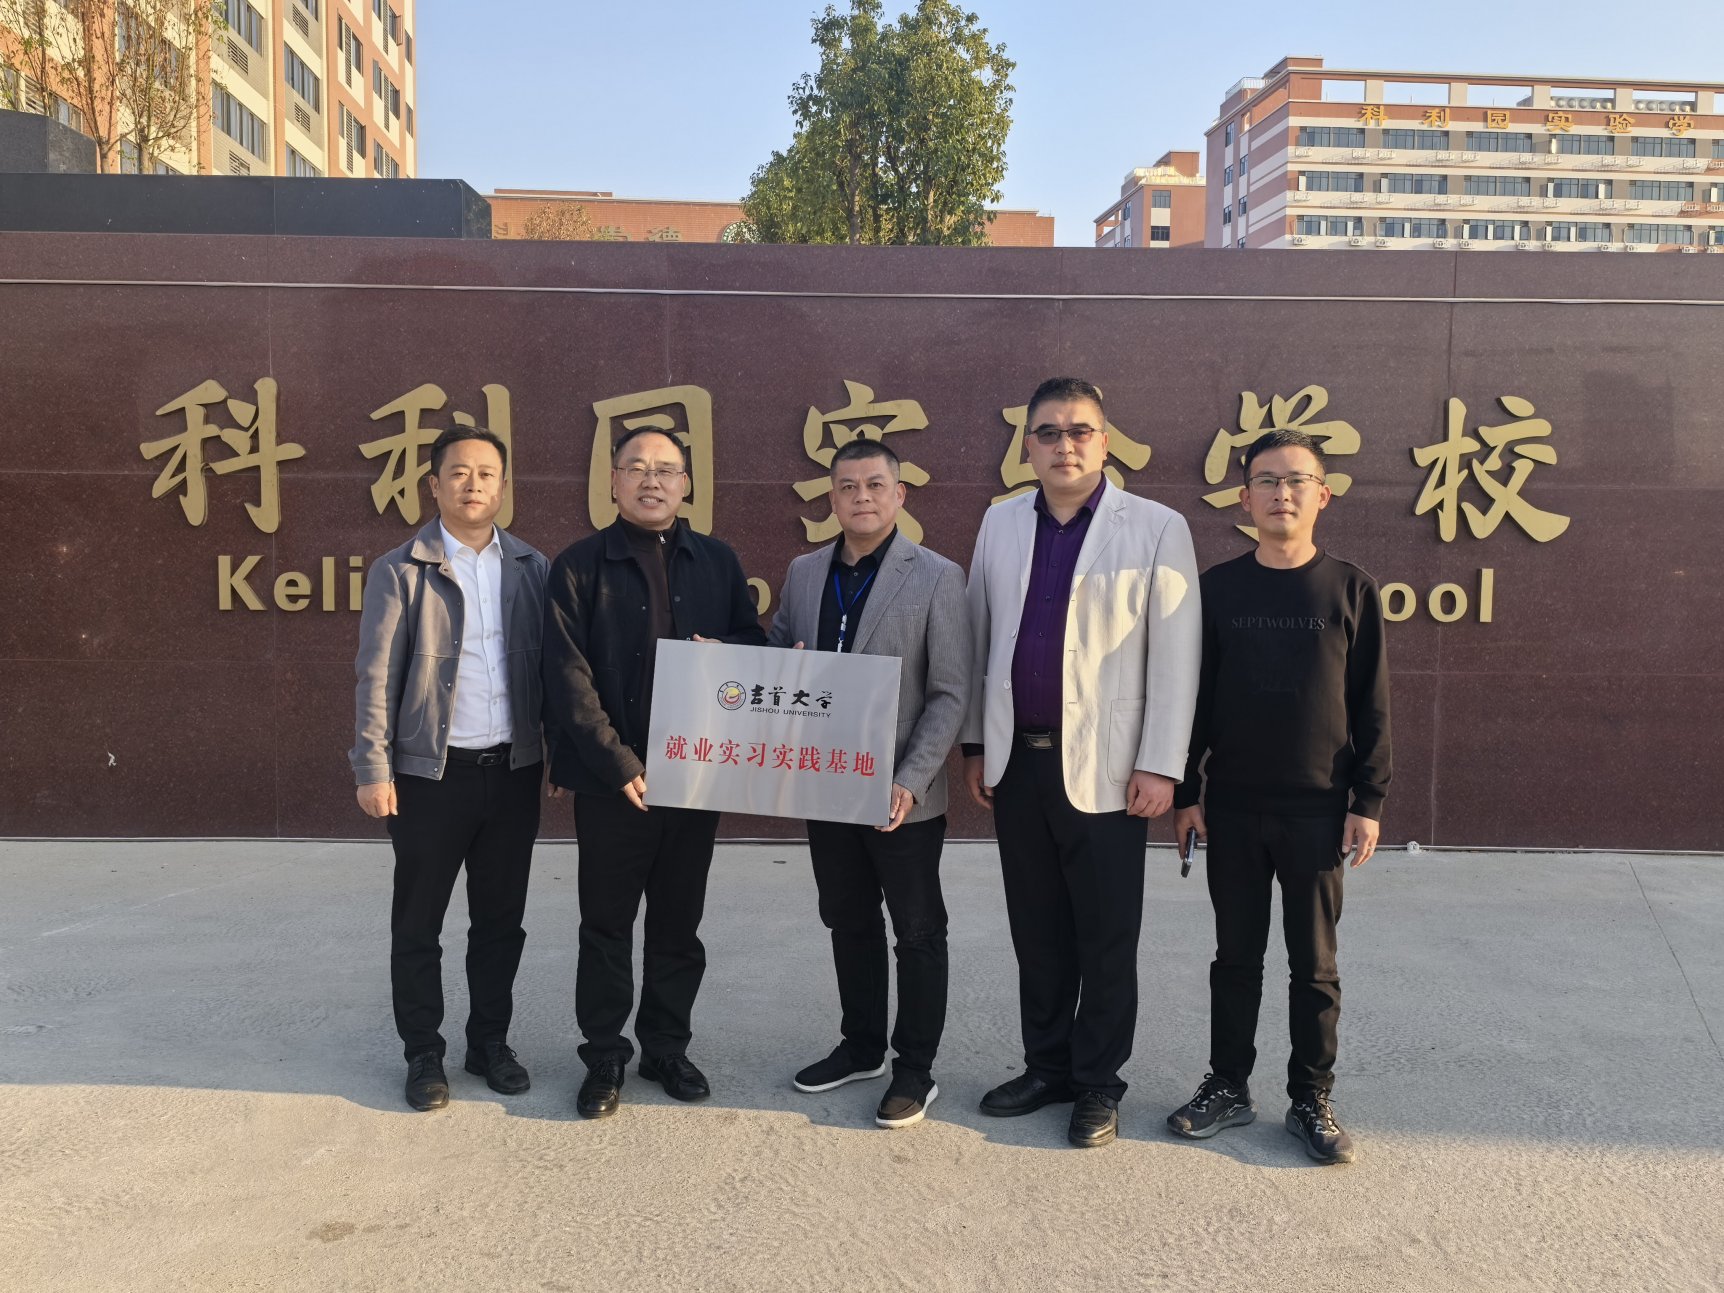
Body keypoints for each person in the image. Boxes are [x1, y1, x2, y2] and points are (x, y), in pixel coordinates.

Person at [960, 376, 1202, 1148]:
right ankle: (1047, 1066)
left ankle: (1098, 1081)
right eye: (1049, 432)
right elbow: (978, 636)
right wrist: (976, 743)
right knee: (1036, 929)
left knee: (1104, 935)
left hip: (1111, 767)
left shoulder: (1156, 528)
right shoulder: (999, 521)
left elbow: (1176, 656)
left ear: (1104, 441)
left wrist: (1161, 763)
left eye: (1080, 431)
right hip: (1019, 763)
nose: (1065, 445)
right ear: (1027, 445)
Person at [1166, 427, 1391, 1166]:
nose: (1281, 493)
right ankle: (1227, 1084)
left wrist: (1368, 800)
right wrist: (1186, 792)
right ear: (1244, 498)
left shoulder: (1350, 588)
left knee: (1314, 964)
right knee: (1235, 956)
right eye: (1266, 480)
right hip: (1232, 805)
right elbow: (1195, 699)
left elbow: (1372, 706)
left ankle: (1310, 1096)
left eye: (1297, 480)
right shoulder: (1219, 589)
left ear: (1323, 495)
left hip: (1318, 809)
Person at [542, 427, 767, 1119]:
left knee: (678, 922)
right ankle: (604, 1054)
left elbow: (754, 646)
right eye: (636, 467)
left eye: (666, 469)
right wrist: (618, 762)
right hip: (614, 782)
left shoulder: (718, 561)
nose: (651, 480)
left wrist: (723, 651)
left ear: (686, 484)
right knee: (606, 924)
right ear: (612, 481)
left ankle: (666, 1046)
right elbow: (567, 676)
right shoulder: (580, 565)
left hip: (696, 777)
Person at [767, 439, 971, 1130]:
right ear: (832, 497)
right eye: (848, 486)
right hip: (826, 783)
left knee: (917, 930)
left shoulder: (937, 575)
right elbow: (780, 652)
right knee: (847, 918)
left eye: (875, 484)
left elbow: (949, 693)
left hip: (898, 794)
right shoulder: (803, 572)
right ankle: (860, 1046)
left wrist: (910, 779)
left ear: (899, 494)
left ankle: (915, 1066)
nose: (861, 497)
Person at [350, 426, 550, 1112]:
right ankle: (423, 1053)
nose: (473, 484)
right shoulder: (400, 569)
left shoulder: (531, 566)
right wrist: (372, 766)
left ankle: (489, 1043)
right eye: (459, 472)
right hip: (429, 777)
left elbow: (551, 669)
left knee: (501, 921)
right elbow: (376, 676)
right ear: (434, 485)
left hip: (513, 772)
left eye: (487, 473)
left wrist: (555, 752)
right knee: (418, 922)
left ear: (504, 487)